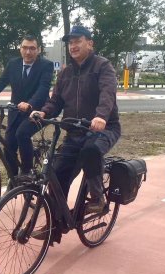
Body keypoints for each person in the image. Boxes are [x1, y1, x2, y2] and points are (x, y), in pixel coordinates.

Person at [31, 25, 121, 215]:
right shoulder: (65, 73)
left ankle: (98, 198)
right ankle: (56, 225)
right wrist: (44, 113)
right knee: (57, 173)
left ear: (90, 43)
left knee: (91, 150)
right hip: (75, 131)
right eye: (70, 43)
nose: (73, 46)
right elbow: (56, 101)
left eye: (78, 41)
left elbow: (108, 93)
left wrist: (101, 116)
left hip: (103, 128)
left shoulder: (102, 66)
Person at [0, 35, 54, 181]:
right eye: (25, 48)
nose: (28, 52)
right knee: (9, 146)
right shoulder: (13, 64)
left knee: (22, 134)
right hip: (16, 111)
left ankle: (26, 172)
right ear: (20, 49)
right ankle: (13, 180)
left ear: (38, 50)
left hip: (38, 111)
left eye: (32, 48)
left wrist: (30, 103)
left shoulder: (46, 65)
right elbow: (1, 82)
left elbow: (43, 88)